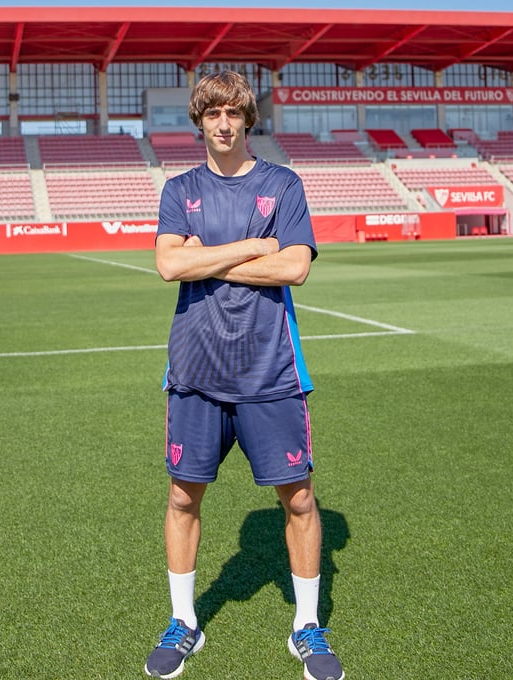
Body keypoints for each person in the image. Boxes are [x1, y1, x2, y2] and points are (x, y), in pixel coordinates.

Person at [143, 70, 344, 680]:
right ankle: (184, 621)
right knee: (183, 496)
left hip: (270, 369)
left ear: (248, 119)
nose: (224, 123)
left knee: (300, 498)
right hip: (196, 370)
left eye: (234, 113)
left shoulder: (283, 184)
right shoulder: (180, 189)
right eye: (213, 114)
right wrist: (255, 246)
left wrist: (205, 257)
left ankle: (306, 626)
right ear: (200, 121)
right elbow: (168, 265)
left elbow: (295, 268)